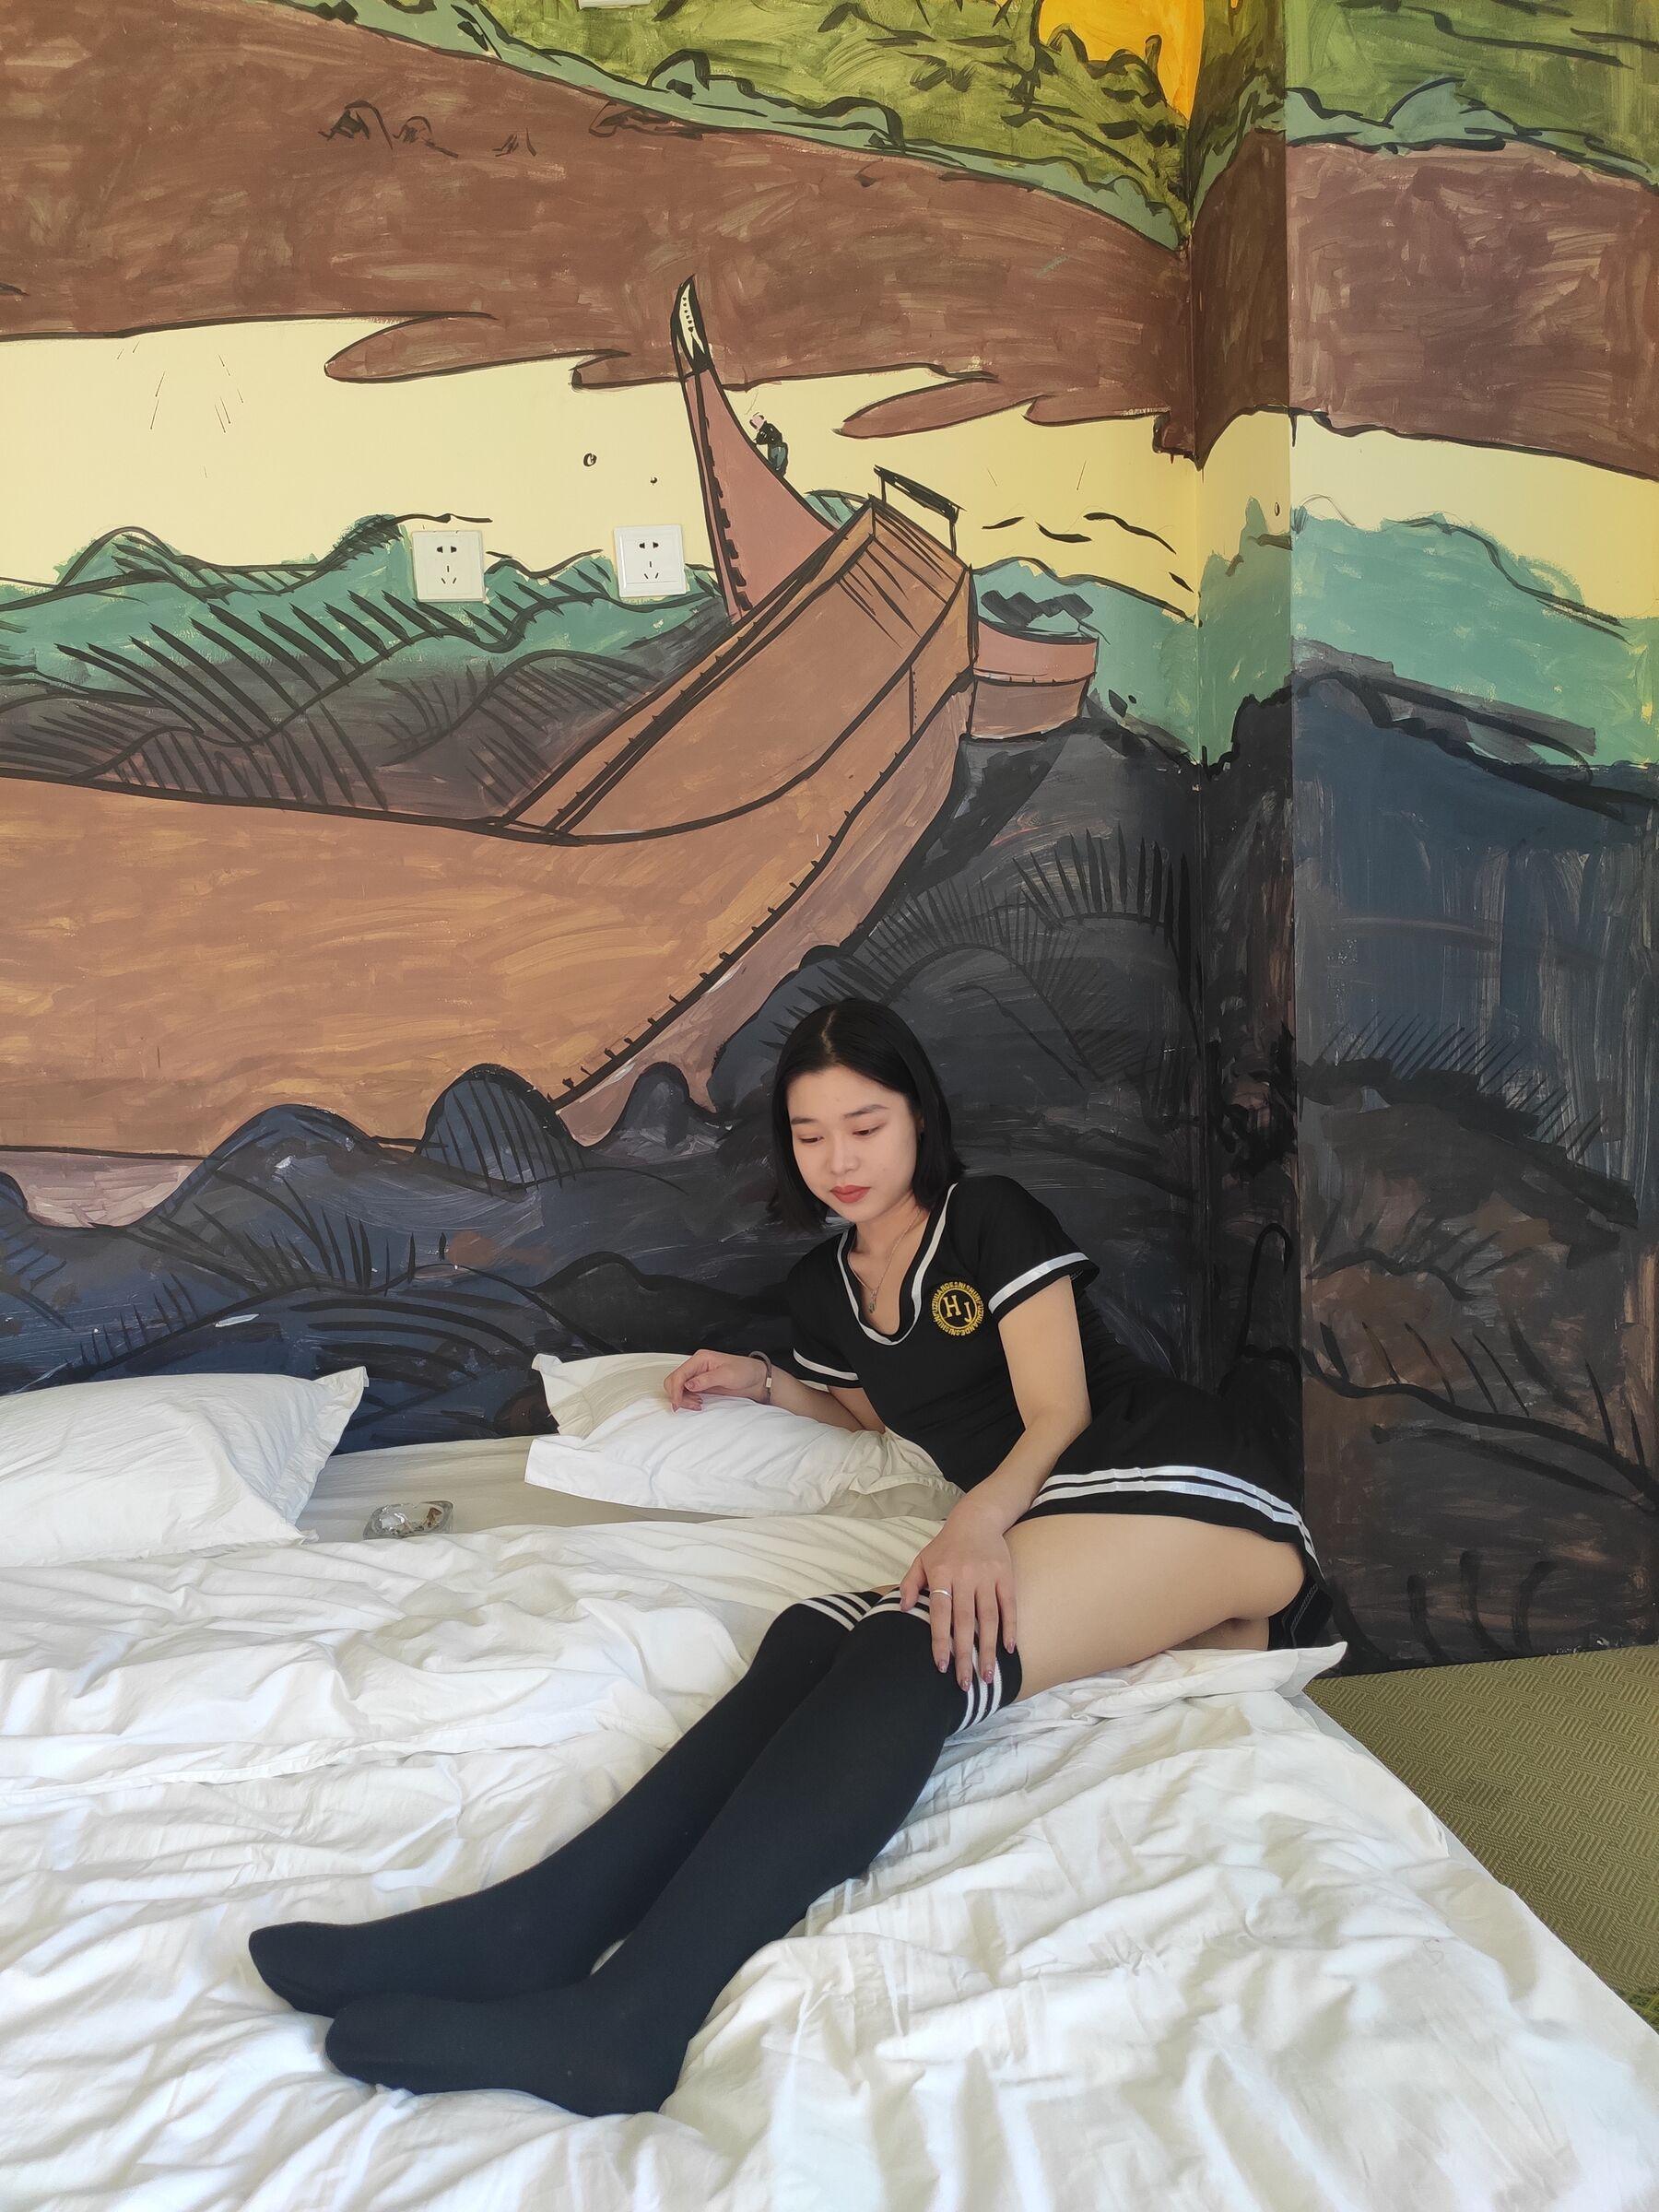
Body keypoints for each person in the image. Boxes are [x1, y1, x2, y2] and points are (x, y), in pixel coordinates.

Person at [250, 998, 1334, 2112]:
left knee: (914, 1651)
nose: (839, 1161)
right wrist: (764, 1383)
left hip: (1173, 1480)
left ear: (918, 1118)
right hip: (1059, 1519)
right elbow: (876, 1410)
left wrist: (973, 1525)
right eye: (812, 1136)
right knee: (811, 1634)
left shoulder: (987, 1217)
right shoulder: (829, 1285)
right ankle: (533, 1929)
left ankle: (634, 2020)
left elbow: (1059, 1410)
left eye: (865, 1127)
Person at [748, 409, 788, 477]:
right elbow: (759, 440)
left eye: (757, 420)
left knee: (777, 465)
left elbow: (776, 436)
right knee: (774, 465)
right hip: (773, 448)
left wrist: (761, 441)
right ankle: (777, 471)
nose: (755, 422)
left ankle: (778, 471)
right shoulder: (762, 431)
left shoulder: (768, 427)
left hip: (778, 447)